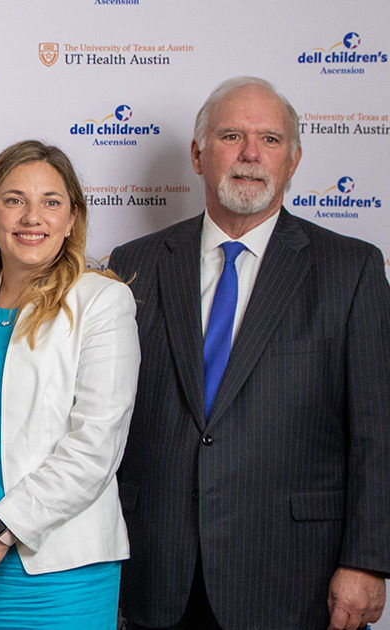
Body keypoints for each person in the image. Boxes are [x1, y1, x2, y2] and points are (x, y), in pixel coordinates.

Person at [109, 76, 390, 629]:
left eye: (271, 139)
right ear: (197, 153)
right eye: (232, 135)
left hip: (294, 577)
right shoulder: (133, 262)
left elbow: (377, 431)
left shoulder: (351, 270)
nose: (251, 154)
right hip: (155, 571)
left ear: (294, 159)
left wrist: (367, 560)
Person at [0, 140, 139, 629]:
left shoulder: (103, 303)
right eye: (14, 199)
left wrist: (0, 534)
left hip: (57, 564)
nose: (32, 217)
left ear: (71, 220)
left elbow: (95, 447)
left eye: (51, 202)